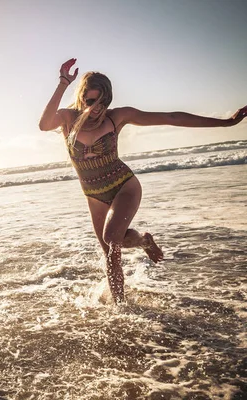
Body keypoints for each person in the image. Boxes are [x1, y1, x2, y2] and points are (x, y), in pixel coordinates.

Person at [39, 58, 247, 304]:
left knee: (111, 239)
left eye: (102, 101)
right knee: (110, 249)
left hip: (123, 186)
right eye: (91, 101)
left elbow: (172, 117)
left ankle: (121, 308)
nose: (96, 108)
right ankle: (142, 243)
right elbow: (43, 125)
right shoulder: (67, 118)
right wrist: (63, 83)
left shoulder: (118, 117)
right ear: (82, 97)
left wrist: (227, 123)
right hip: (94, 196)